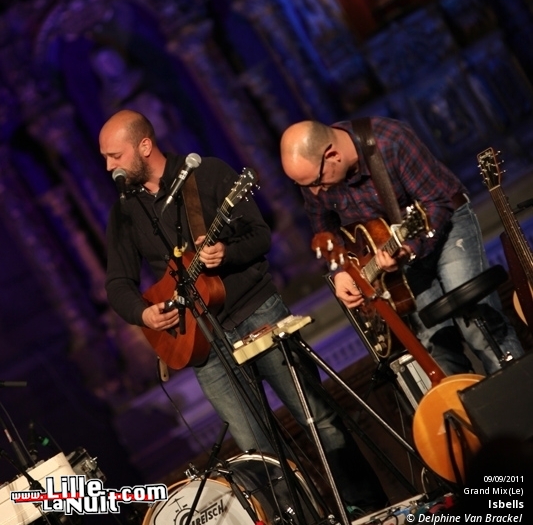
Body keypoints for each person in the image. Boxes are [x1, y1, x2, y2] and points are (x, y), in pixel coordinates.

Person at [100, 109, 388, 517]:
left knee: (317, 416)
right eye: (106, 159)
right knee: (258, 452)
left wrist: (225, 252)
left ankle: (365, 508)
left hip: (258, 312)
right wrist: (143, 315)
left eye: (114, 156)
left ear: (144, 146)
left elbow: (261, 236)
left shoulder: (208, 174)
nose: (109, 167)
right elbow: (117, 284)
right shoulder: (124, 212)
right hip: (203, 340)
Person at [280, 118, 523, 376]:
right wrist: (341, 270)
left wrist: (409, 247)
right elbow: (323, 227)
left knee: (477, 324)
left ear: (333, 155)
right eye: (304, 186)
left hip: (445, 226)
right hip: (394, 254)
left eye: (316, 182)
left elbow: (437, 204)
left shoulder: (391, 141)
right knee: (436, 348)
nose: (315, 192)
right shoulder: (313, 174)